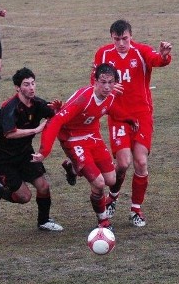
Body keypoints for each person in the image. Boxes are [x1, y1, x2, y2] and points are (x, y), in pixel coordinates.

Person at [32, 63, 138, 232]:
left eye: (111, 82)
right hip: (73, 139)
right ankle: (103, 221)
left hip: (92, 136)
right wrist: (44, 152)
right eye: (103, 82)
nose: (107, 86)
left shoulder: (110, 96)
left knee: (111, 180)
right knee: (99, 183)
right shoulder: (83, 98)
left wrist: (128, 119)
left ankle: (72, 168)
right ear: (95, 82)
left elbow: (110, 109)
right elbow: (56, 121)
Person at [87, 19, 172, 227]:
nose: (121, 43)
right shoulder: (103, 54)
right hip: (118, 116)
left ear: (130, 36)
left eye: (125, 38)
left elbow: (157, 61)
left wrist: (164, 55)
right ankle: (113, 196)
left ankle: (136, 209)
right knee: (123, 163)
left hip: (141, 114)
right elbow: (94, 80)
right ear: (111, 38)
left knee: (141, 162)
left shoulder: (141, 51)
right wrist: (105, 88)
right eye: (117, 40)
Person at [0, 67, 64, 232]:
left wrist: (58, 111)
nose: (31, 87)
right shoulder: (10, 107)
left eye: (33, 83)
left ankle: (43, 221)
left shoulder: (38, 103)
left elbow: (55, 116)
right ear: (17, 87)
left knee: (43, 186)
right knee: (24, 197)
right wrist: (35, 130)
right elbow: (10, 133)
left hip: (23, 154)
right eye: (26, 84)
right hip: (2, 160)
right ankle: (0, 190)